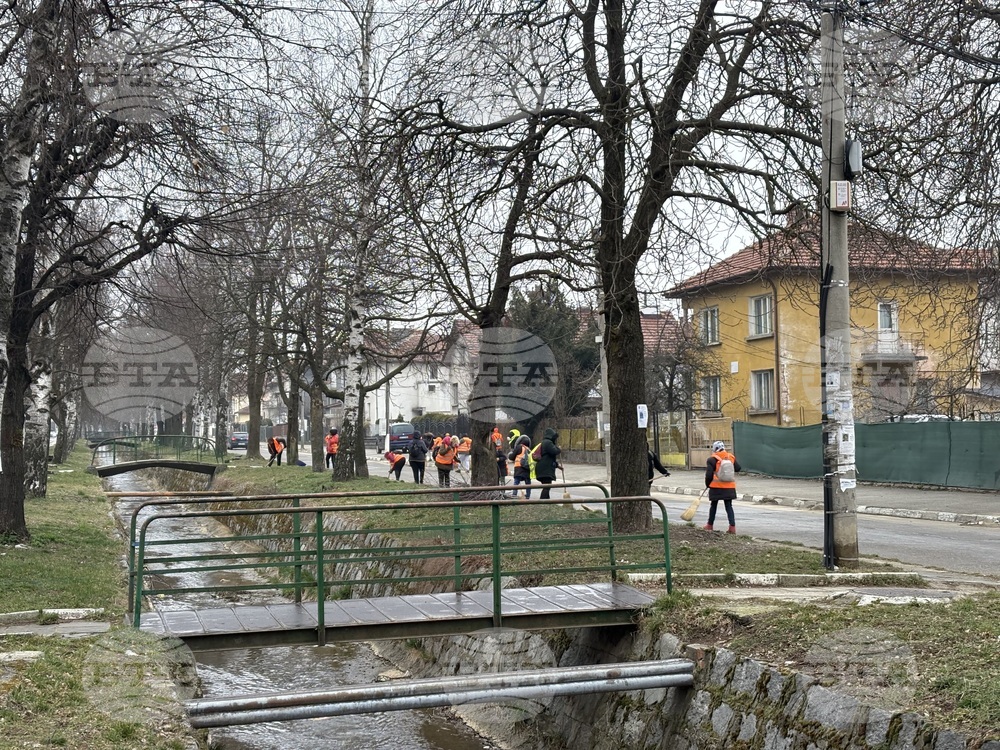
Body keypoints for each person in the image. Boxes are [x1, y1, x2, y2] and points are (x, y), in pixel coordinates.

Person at [705, 440, 741, 533]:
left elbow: (708, 475)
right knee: (729, 506)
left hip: (716, 486)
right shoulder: (731, 457)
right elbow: (738, 468)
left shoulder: (711, 459)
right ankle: (732, 527)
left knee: (713, 505)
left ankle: (709, 525)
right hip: (729, 486)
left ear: (714, 449)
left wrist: (708, 484)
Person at [534, 428, 561, 499]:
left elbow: (549, 458)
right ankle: (542, 502)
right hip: (545, 470)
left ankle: (547, 501)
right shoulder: (548, 442)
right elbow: (554, 451)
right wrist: (559, 449)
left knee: (546, 486)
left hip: (543, 468)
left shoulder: (545, 442)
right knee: (547, 486)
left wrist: (557, 466)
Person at [508, 434, 532, 498]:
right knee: (528, 483)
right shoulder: (529, 450)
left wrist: (510, 454)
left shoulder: (519, 447)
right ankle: (528, 496)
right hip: (527, 468)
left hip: (519, 467)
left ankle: (514, 495)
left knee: (516, 482)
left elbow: (512, 457)